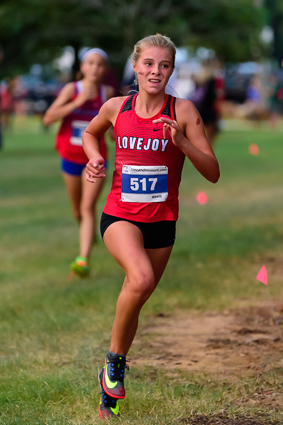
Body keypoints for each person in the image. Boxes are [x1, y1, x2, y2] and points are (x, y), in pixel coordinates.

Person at [82, 34, 220, 419]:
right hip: (120, 217)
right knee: (139, 280)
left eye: (164, 65)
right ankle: (114, 366)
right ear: (135, 66)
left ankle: (110, 381)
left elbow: (213, 173)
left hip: (162, 224)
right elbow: (90, 133)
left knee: (136, 294)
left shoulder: (184, 111)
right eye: (148, 64)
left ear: (172, 70)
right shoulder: (115, 107)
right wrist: (94, 158)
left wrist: (183, 144)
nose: (155, 71)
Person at [43, 48, 114, 278]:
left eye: (100, 64)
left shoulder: (108, 93)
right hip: (70, 157)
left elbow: (113, 131)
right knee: (77, 210)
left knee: (87, 207)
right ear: (82, 67)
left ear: (104, 69)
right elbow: (48, 118)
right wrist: (77, 103)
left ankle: (83, 260)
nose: (95, 68)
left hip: (95, 159)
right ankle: (88, 231)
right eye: (90, 63)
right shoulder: (72, 90)